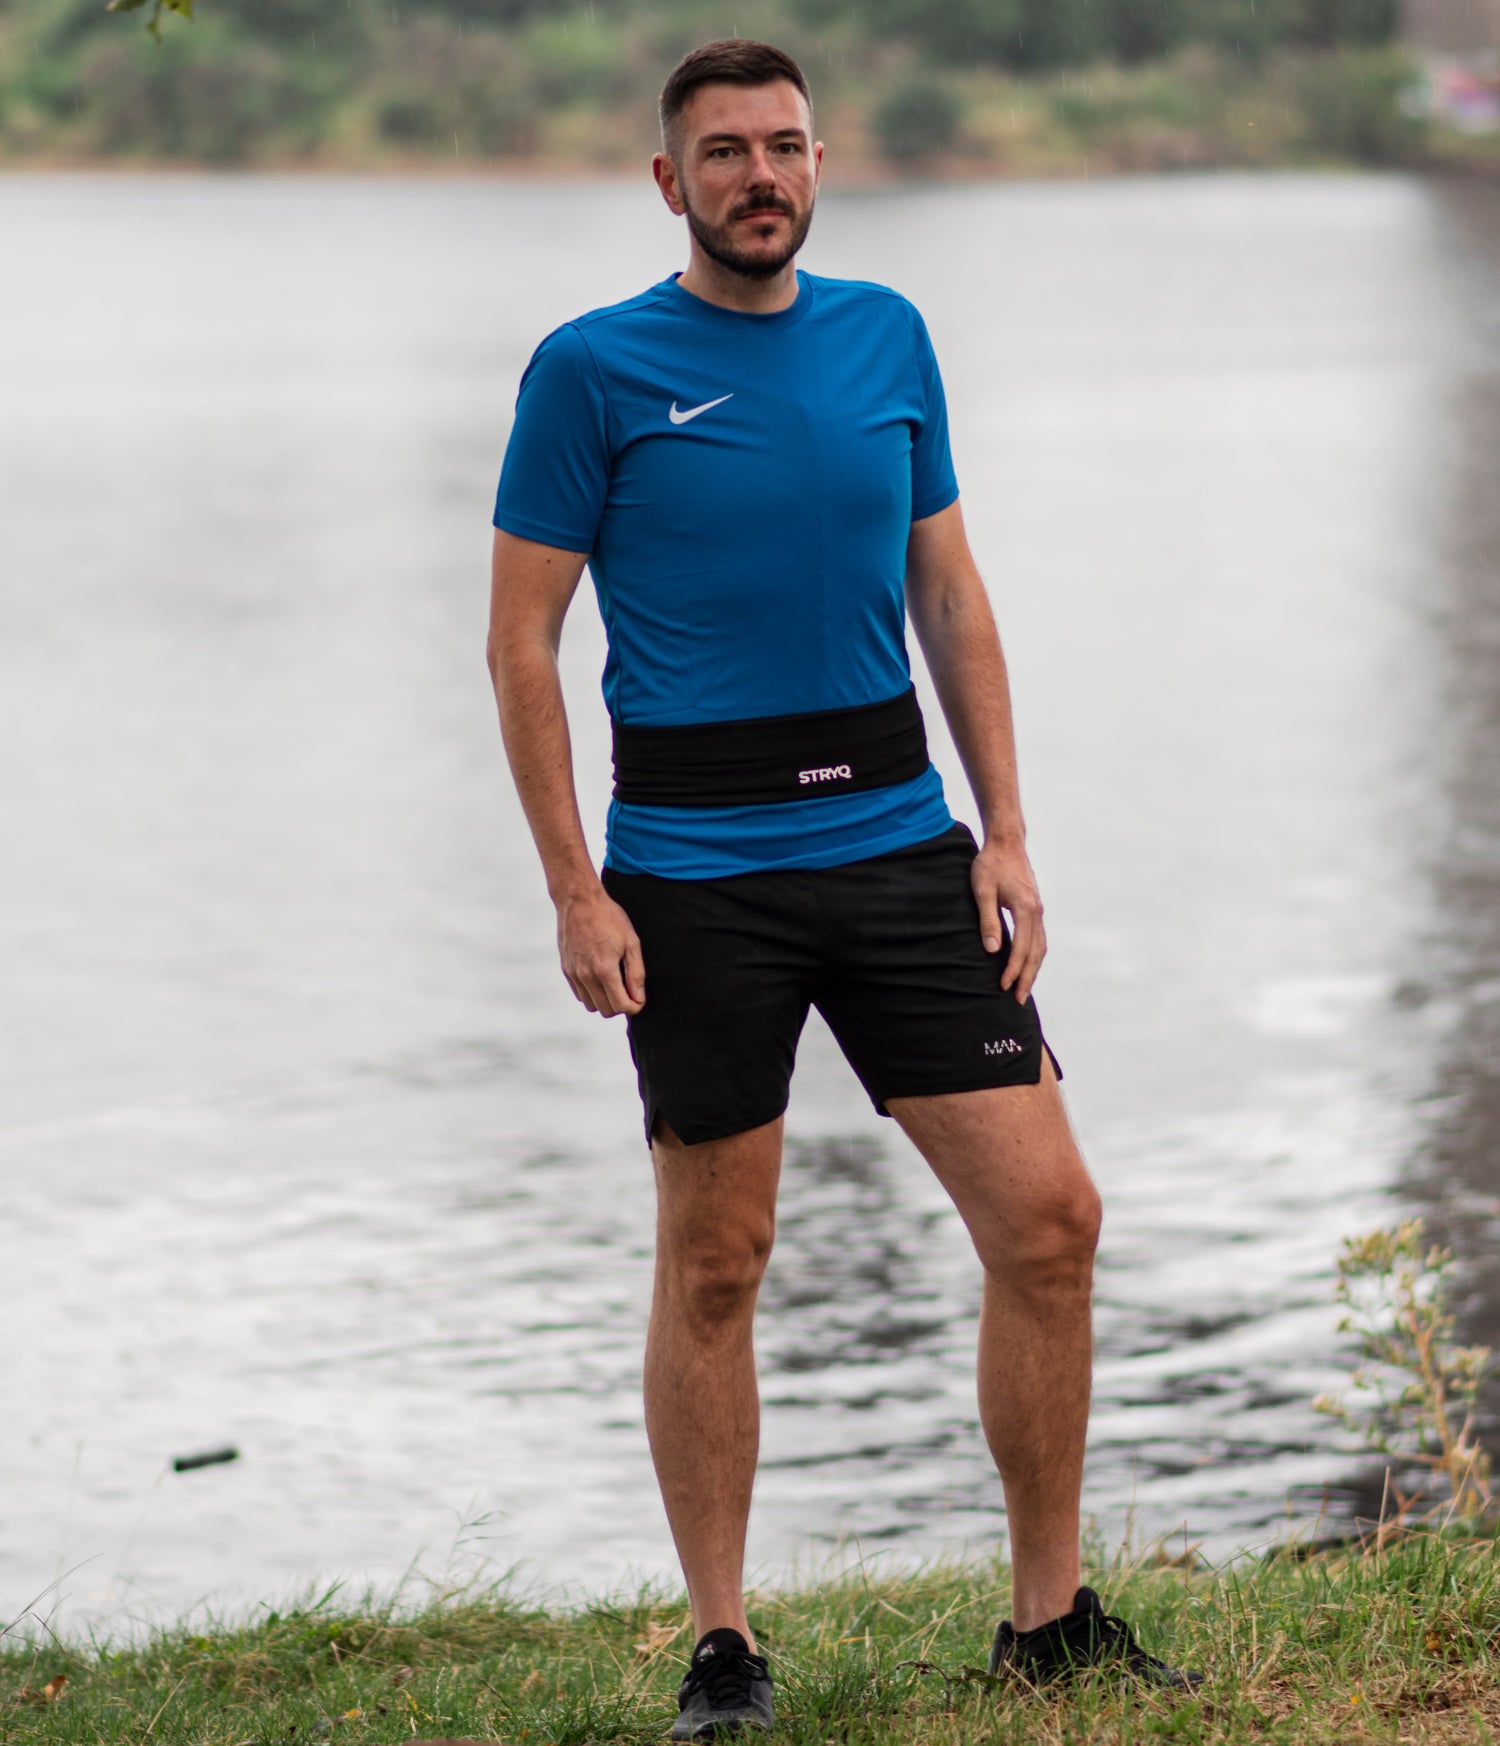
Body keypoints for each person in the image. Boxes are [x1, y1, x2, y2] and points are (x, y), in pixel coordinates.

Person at [487, 39, 1200, 1738]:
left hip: (899, 846)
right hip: (693, 876)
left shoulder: (890, 337)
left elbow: (949, 593)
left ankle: (1048, 1618)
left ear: (821, 164)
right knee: (718, 1261)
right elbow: (523, 639)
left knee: (1052, 1219)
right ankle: (724, 1642)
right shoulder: (589, 369)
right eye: (724, 151)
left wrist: (1007, 829)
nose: (760, 175)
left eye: (786, 146)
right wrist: (576, 891)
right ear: (670, 182)